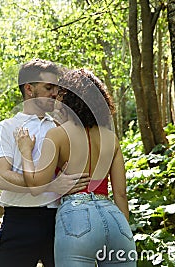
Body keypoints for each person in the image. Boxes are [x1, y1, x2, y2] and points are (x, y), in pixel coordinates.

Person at [16, 68, 137, 266]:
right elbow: (121, 195)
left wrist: (26, 152)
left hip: (76, 218)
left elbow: (35, 183)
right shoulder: (111, 138)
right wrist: (122, 230)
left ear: (69, 98)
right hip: (114, 217)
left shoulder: (57, 135)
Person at [0, 59, 90, 267]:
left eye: (56, 88)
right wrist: (49, 186)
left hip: (60, 221)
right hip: (20, 222)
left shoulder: (61, 128)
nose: (55, 93)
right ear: (29, 89)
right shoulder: (6, 128)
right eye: (48, 87)